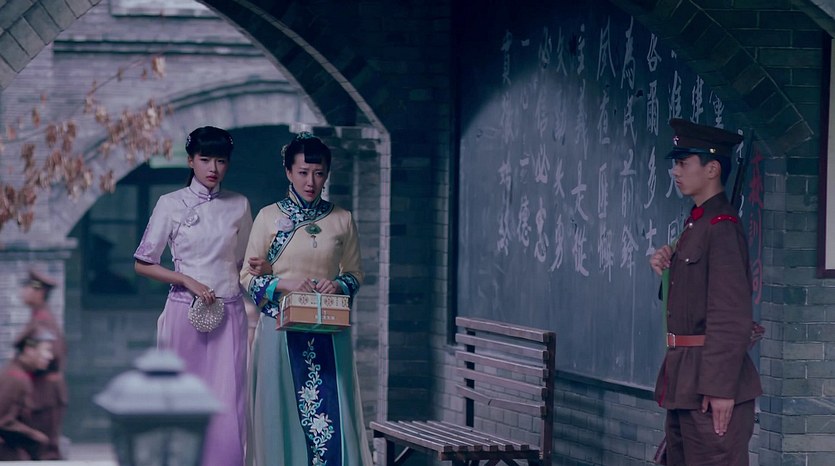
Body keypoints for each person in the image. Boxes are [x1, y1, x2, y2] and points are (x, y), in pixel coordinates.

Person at [241, 131, 371, 465]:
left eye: (318, 173)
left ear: (327, 174)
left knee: (331, 412)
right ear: (288, 172)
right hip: (279, 332)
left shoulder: (342, 219)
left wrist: (337, 285)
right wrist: (285, 283)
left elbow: (355, 274)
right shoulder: (268, 217)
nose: (310, 182)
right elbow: (248, 277)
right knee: (279, 415)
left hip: (328, 331)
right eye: (302, 172)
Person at [134, 126, 253, 466]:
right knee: (179, 397)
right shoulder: (170, 204)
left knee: (228, 400)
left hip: (229, 313)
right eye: (205, 159)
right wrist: (186, 279)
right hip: (183, 312)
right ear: (190, 160)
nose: (213, 168)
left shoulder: (239, 204)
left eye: (221, 161)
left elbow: (244, 263)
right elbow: (143, 263)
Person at [648, 118, 762, 465]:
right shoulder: (696, 224)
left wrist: (720, 388)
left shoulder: (721, 227)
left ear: (712, 169)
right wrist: (666, 267)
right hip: (685, 380)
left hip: (710, 386)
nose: (676, 171)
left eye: (684, 163)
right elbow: (688, 301)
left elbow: (730, 315)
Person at [17, 269, 67, 460]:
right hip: (41, 389)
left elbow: (53, 354)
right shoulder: (38, 317)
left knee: (46, 449)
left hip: (45, 391)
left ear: (39, 292)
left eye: (27, 288)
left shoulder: (42, 320)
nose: (23, 292)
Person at [0, 326, 55, 461]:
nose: (50, 356)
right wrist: (36, 437)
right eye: (46, 350)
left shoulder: (19, 374)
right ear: (29, 350)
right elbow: (3, 420)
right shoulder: (15, 378)